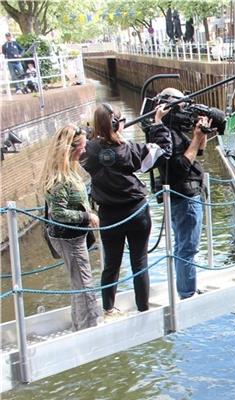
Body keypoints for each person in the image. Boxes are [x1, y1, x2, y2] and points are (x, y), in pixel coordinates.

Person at [81, 102, 171, 317]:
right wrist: (158, 122)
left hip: (109, 216)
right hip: (136, 213)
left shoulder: (89, 152)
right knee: (139, 262)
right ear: (116, 124)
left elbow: (79, 147)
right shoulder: (130, 149)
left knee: (111, 264)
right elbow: (163, 150)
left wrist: (97, 134)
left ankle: (108, 309)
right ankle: (143, 308)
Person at [151, 87, 210, 299]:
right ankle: (187, 293)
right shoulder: (166, 135)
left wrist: (200, 134)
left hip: (184, 196)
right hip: (185, 198)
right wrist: (195, 138)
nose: (186, 109)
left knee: (183, 246)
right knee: (187, 249)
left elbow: (198, 153)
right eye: (183, 105)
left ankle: (186, 286)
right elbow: (181, 166)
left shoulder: (170, 132)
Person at [41, 125, 102, 330]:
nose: (84, 151)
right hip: (69, 238)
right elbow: (58, 214)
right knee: (84, 283)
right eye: (82, 147)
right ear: (70, 148)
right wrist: (87, 216)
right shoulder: (60, 179)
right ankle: (89, 327)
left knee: (79, 281)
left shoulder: (69, 172)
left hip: (75, 236)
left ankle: (81, 324)